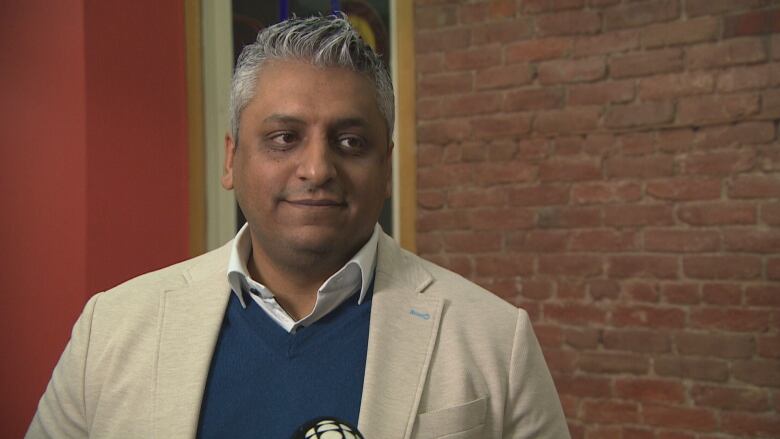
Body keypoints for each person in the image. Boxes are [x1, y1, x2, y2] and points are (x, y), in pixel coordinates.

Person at [27, 15, 569, 439]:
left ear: (387, 167)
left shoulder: (495, 339)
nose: (317, 169)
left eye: (351, 141)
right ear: (232, 159)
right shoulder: (111, 328)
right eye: (284, 137)